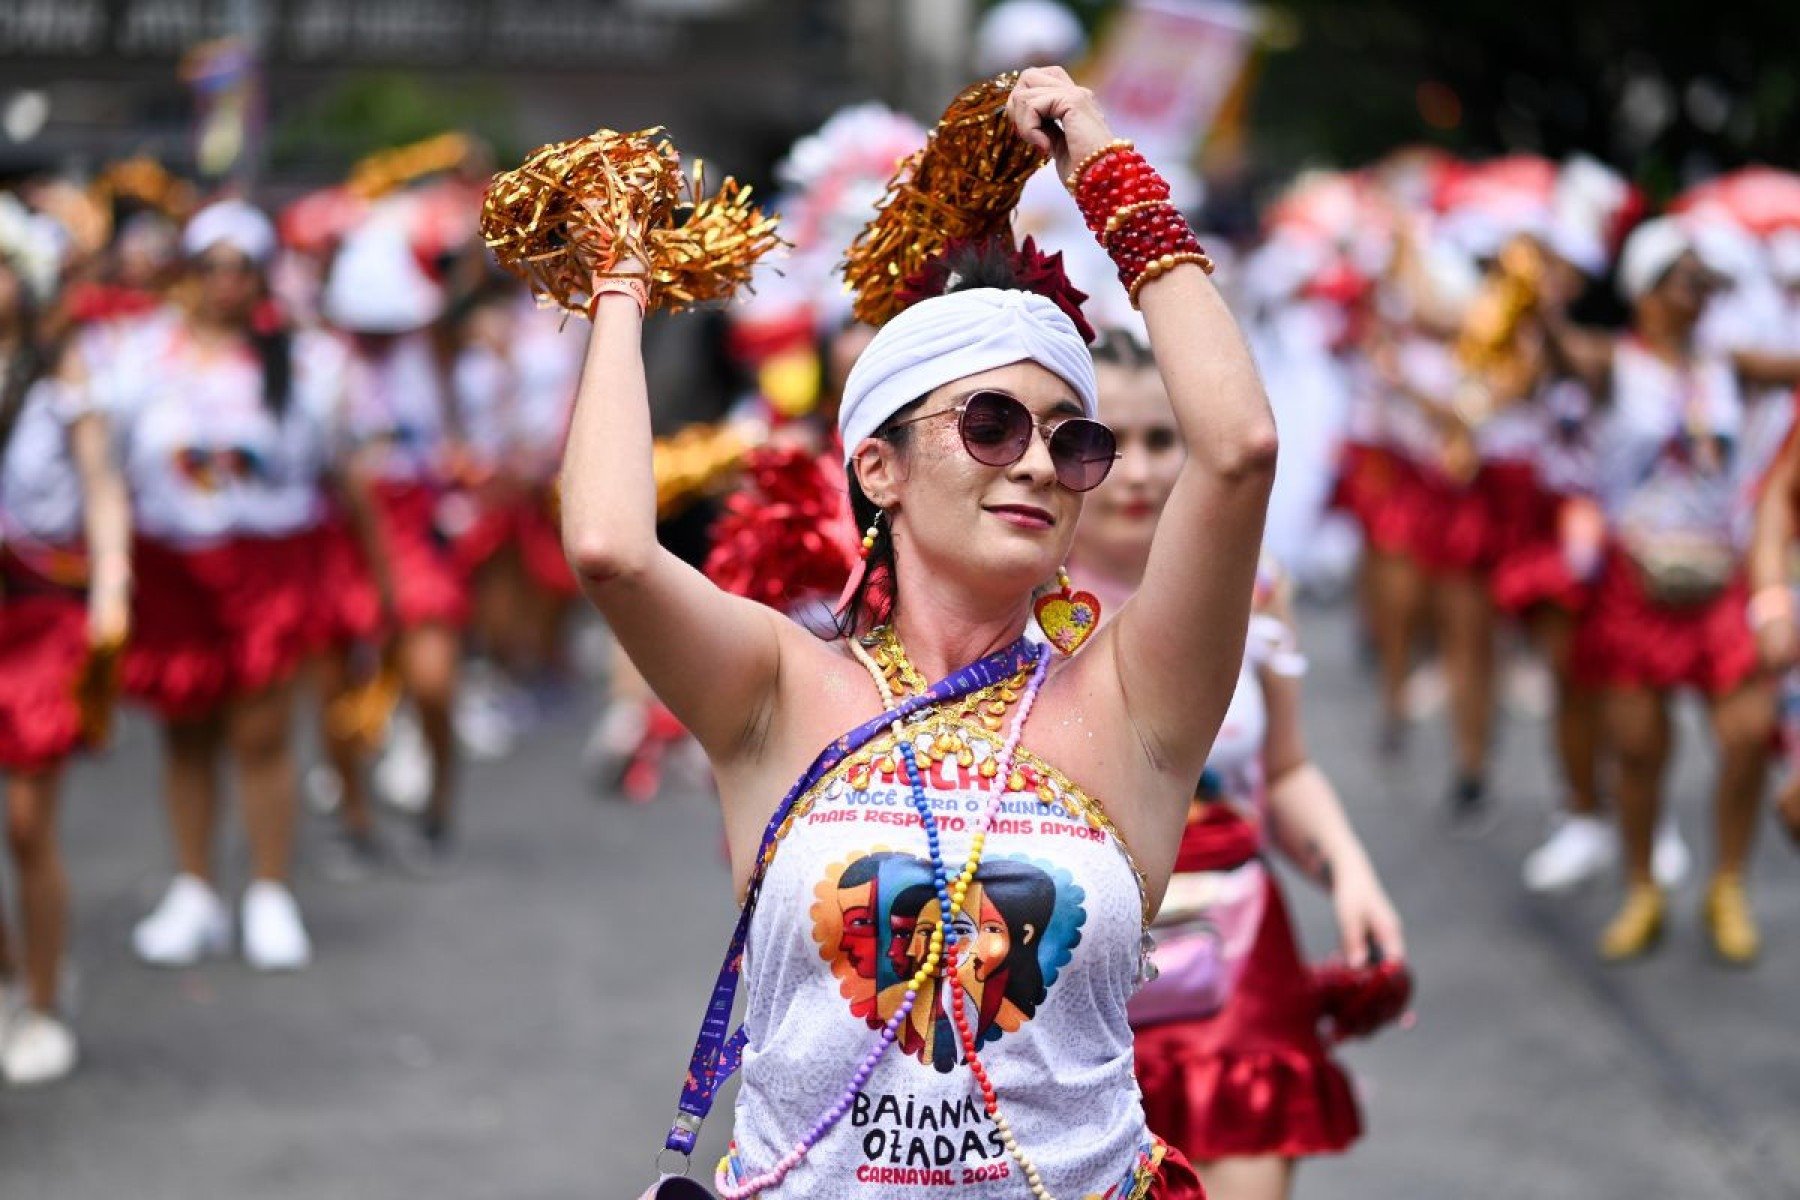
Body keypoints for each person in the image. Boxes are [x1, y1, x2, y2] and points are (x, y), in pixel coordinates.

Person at [561, 69, 1274, 1196]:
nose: (1039, 461)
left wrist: (1104, 169)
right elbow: (608, 546)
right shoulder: (776, 690)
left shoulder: (1132, 703)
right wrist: (618, 282)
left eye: (1069, 441)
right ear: (877, 468)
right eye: (989, 425)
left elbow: (1235, 449)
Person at [1073, 330, 1404, 1200]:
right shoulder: (1002, 610)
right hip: (1066, 979)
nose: (1138, 472)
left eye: (1162, 440)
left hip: (1240, 963)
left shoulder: (1255, 589)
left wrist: (1352, 879)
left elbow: (1284, 771)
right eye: (1110, 442)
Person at [1543, 216, 1800, 963]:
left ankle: (1727, 885)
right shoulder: (1612, 364)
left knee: (1748, 733)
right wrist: (1543, 301)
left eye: (1701, 279)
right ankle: (1643, 887)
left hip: (1720, 578)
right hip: (1636, 580)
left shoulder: (1727, 363)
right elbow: (1562, 357)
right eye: (1682, 278)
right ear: (1646, 292)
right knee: (1638, 750)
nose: (1697, 291)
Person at [106, 200, 327, 971]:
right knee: (185, 730)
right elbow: (107, 463)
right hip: (170, 569)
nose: (227, 282)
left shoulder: (299, 362)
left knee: (262, 735)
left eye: (242, 267)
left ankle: (269, 890)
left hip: (264, 565)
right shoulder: (138, 357)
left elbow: (333, 473)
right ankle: (195, 888)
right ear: (188, 273)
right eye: (212, 266)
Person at [0, 243, 131, 1083]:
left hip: (43, 618)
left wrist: (112, 592)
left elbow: (102, 490)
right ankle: (12, 979)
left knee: (25, 825)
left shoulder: (63, 381)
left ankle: (46, 997)